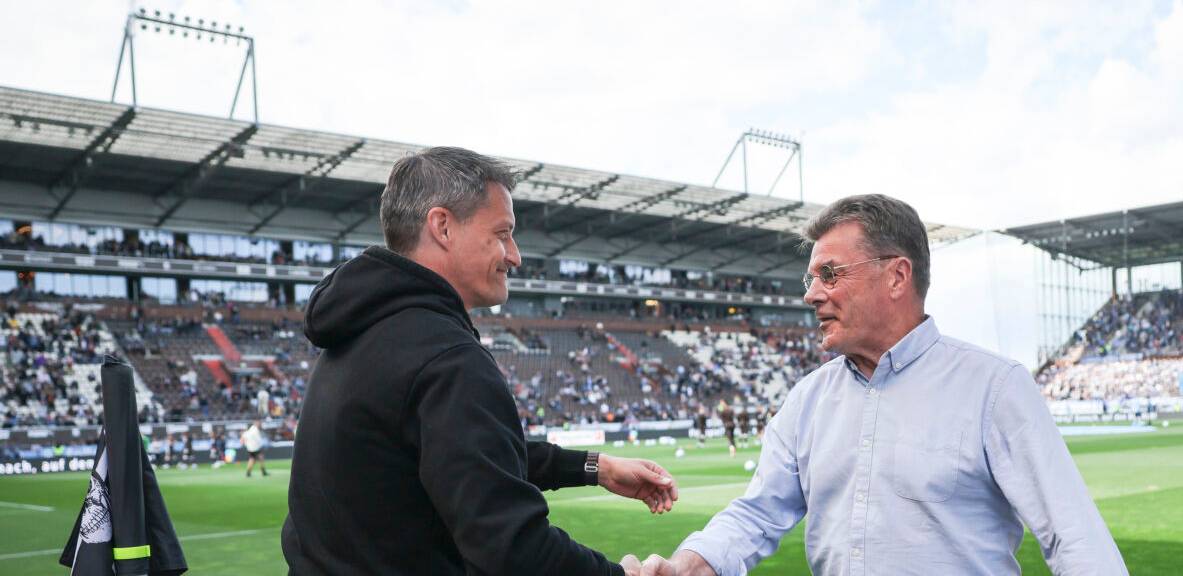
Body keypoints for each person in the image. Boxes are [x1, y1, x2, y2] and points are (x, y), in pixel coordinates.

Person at [628, 194, 1126, 575]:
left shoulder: (994, 389)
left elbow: (1076, 539)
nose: (811, 294)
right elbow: (756, 516)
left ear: (896, 276)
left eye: (830, 273)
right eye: (810, 278)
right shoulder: (807, 400)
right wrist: (689, 564)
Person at [281, 147, 678, 575]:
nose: (515, 255)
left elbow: (465, 456)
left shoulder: (361, 330)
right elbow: (513, 550)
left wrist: (593, 467)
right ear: (443, 226)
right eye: (502, 233)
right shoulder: (445, 358)